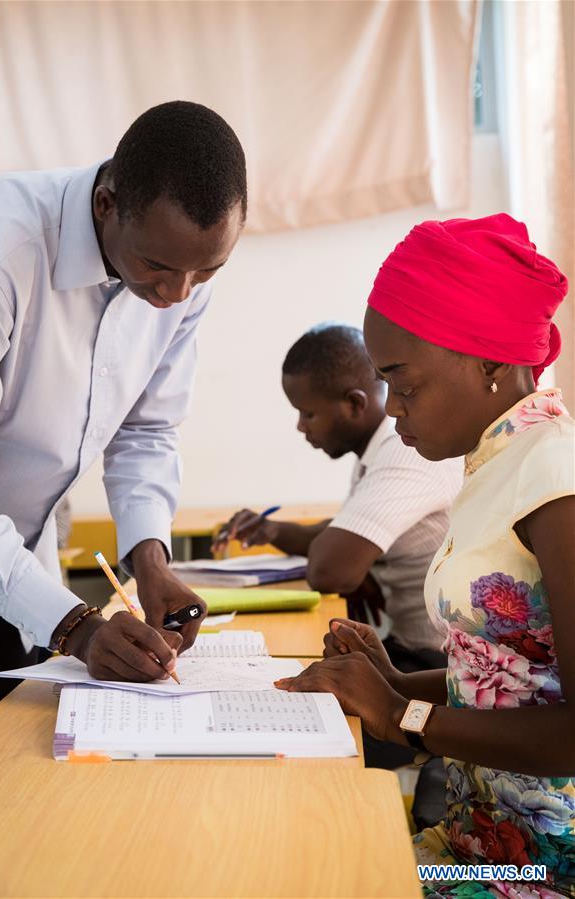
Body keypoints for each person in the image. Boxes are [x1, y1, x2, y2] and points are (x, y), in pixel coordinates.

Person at [0, 100, 247, 814]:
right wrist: (74, 626)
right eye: (158, 267)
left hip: (15, 566)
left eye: (202, 276)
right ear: (106, 201)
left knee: (13, 797)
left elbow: (145, 430)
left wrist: (149, 558)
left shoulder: (177, 272)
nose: (175, 295)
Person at [275, 214, 574, 897]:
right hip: (478, 846)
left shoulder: (555, 475)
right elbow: (514, 681)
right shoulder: (497, 462)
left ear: (491, 361)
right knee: (312, 864)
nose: (393, 409)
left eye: (404, 386)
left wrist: (401, 715)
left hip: (538, 869)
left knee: (325, 878)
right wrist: (384, 681)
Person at [215, 324, 462, 677]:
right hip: (408, 649)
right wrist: (272, 530)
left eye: (309, 413)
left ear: (354, 403)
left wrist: (355, 568)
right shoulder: (374, 453)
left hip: (437, 665)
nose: (301, 427)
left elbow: (330, 570)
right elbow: (342, 531)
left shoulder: (404, 453)